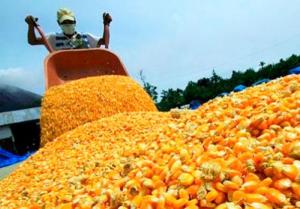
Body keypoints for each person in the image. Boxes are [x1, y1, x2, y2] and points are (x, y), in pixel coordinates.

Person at [25, 8, 112, 50]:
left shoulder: (86, 37)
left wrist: (106, 25)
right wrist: (30, 26)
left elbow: (104, 41)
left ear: (75, 22)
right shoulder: (53, 38)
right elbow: (33, 41)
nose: (68, 24)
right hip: (64, 74)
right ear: (59, 23)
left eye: (70, 22)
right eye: (64, 22)